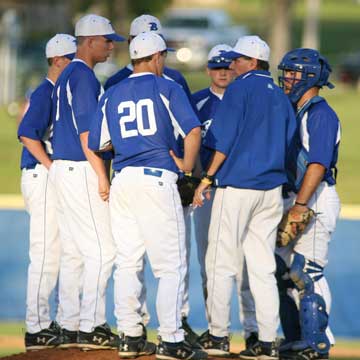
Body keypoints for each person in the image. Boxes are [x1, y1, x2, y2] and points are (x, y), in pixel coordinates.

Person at [88, 31, 206, 360]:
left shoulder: (112, 92)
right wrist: (186, 167)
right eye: (163, 56)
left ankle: (129, 335)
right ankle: (170, 339)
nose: (163, 60)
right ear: (155, 57)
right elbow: (193, 129)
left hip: (123, 180)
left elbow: (97, 143)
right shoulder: (166, 87)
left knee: (127, 262)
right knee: (170, 267)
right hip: (156, 179)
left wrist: (130, 144)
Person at [192, 35, 297, 359]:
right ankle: (267, 342)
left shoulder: (239, 88)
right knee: (263, 267)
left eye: (238, 59)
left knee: (220, 262)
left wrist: (207, 177)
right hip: (270, 191)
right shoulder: (281, 96)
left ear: (253, 62)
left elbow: (222, 140)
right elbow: (291, 144)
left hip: (236, 186)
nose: (232, 64)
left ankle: (219, 336)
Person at [50, 14, 124, 350]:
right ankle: (91, 324)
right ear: (90, 41)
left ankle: (68, 323)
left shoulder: (66, 74)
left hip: (62, 167)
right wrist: (101, 175)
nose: (111, 46)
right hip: (81, 167)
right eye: (108, 40)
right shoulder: (83, 77)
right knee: (104, 250)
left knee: (76, 253)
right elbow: (86, 135)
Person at [192, 44, 259, 353]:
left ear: (236, 68)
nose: (222, 71)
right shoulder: (196, 103)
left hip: (240, 189)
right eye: (216, 66)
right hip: (208, 192)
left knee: (246, 265)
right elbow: (185, 142)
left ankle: (252, 331)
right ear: (207, 69)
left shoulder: (247, 99)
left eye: (228, 66)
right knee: (210, 264)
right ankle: (214, 328)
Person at [276, 48, 341, 360]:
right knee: (282, 271)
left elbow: (317, 164)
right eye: (286, 72)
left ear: (311, 77)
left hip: (315, 197)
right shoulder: (295, 111)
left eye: (293, 73)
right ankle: (295, 340)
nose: (287, 78)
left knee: (308, 272)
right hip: (296, 195)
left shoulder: (320, 113)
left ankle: (317, 343)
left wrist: (300, 204)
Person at [18, 33, 76, 351]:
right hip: (41, 175)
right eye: (71, 58)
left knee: (58, 251)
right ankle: (35, 326)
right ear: (57, 60)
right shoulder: (46, 91)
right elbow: (26, 133)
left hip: (47, 175)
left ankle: (45, 322)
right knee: (45, 253)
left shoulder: (59, 91)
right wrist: (52, 167)